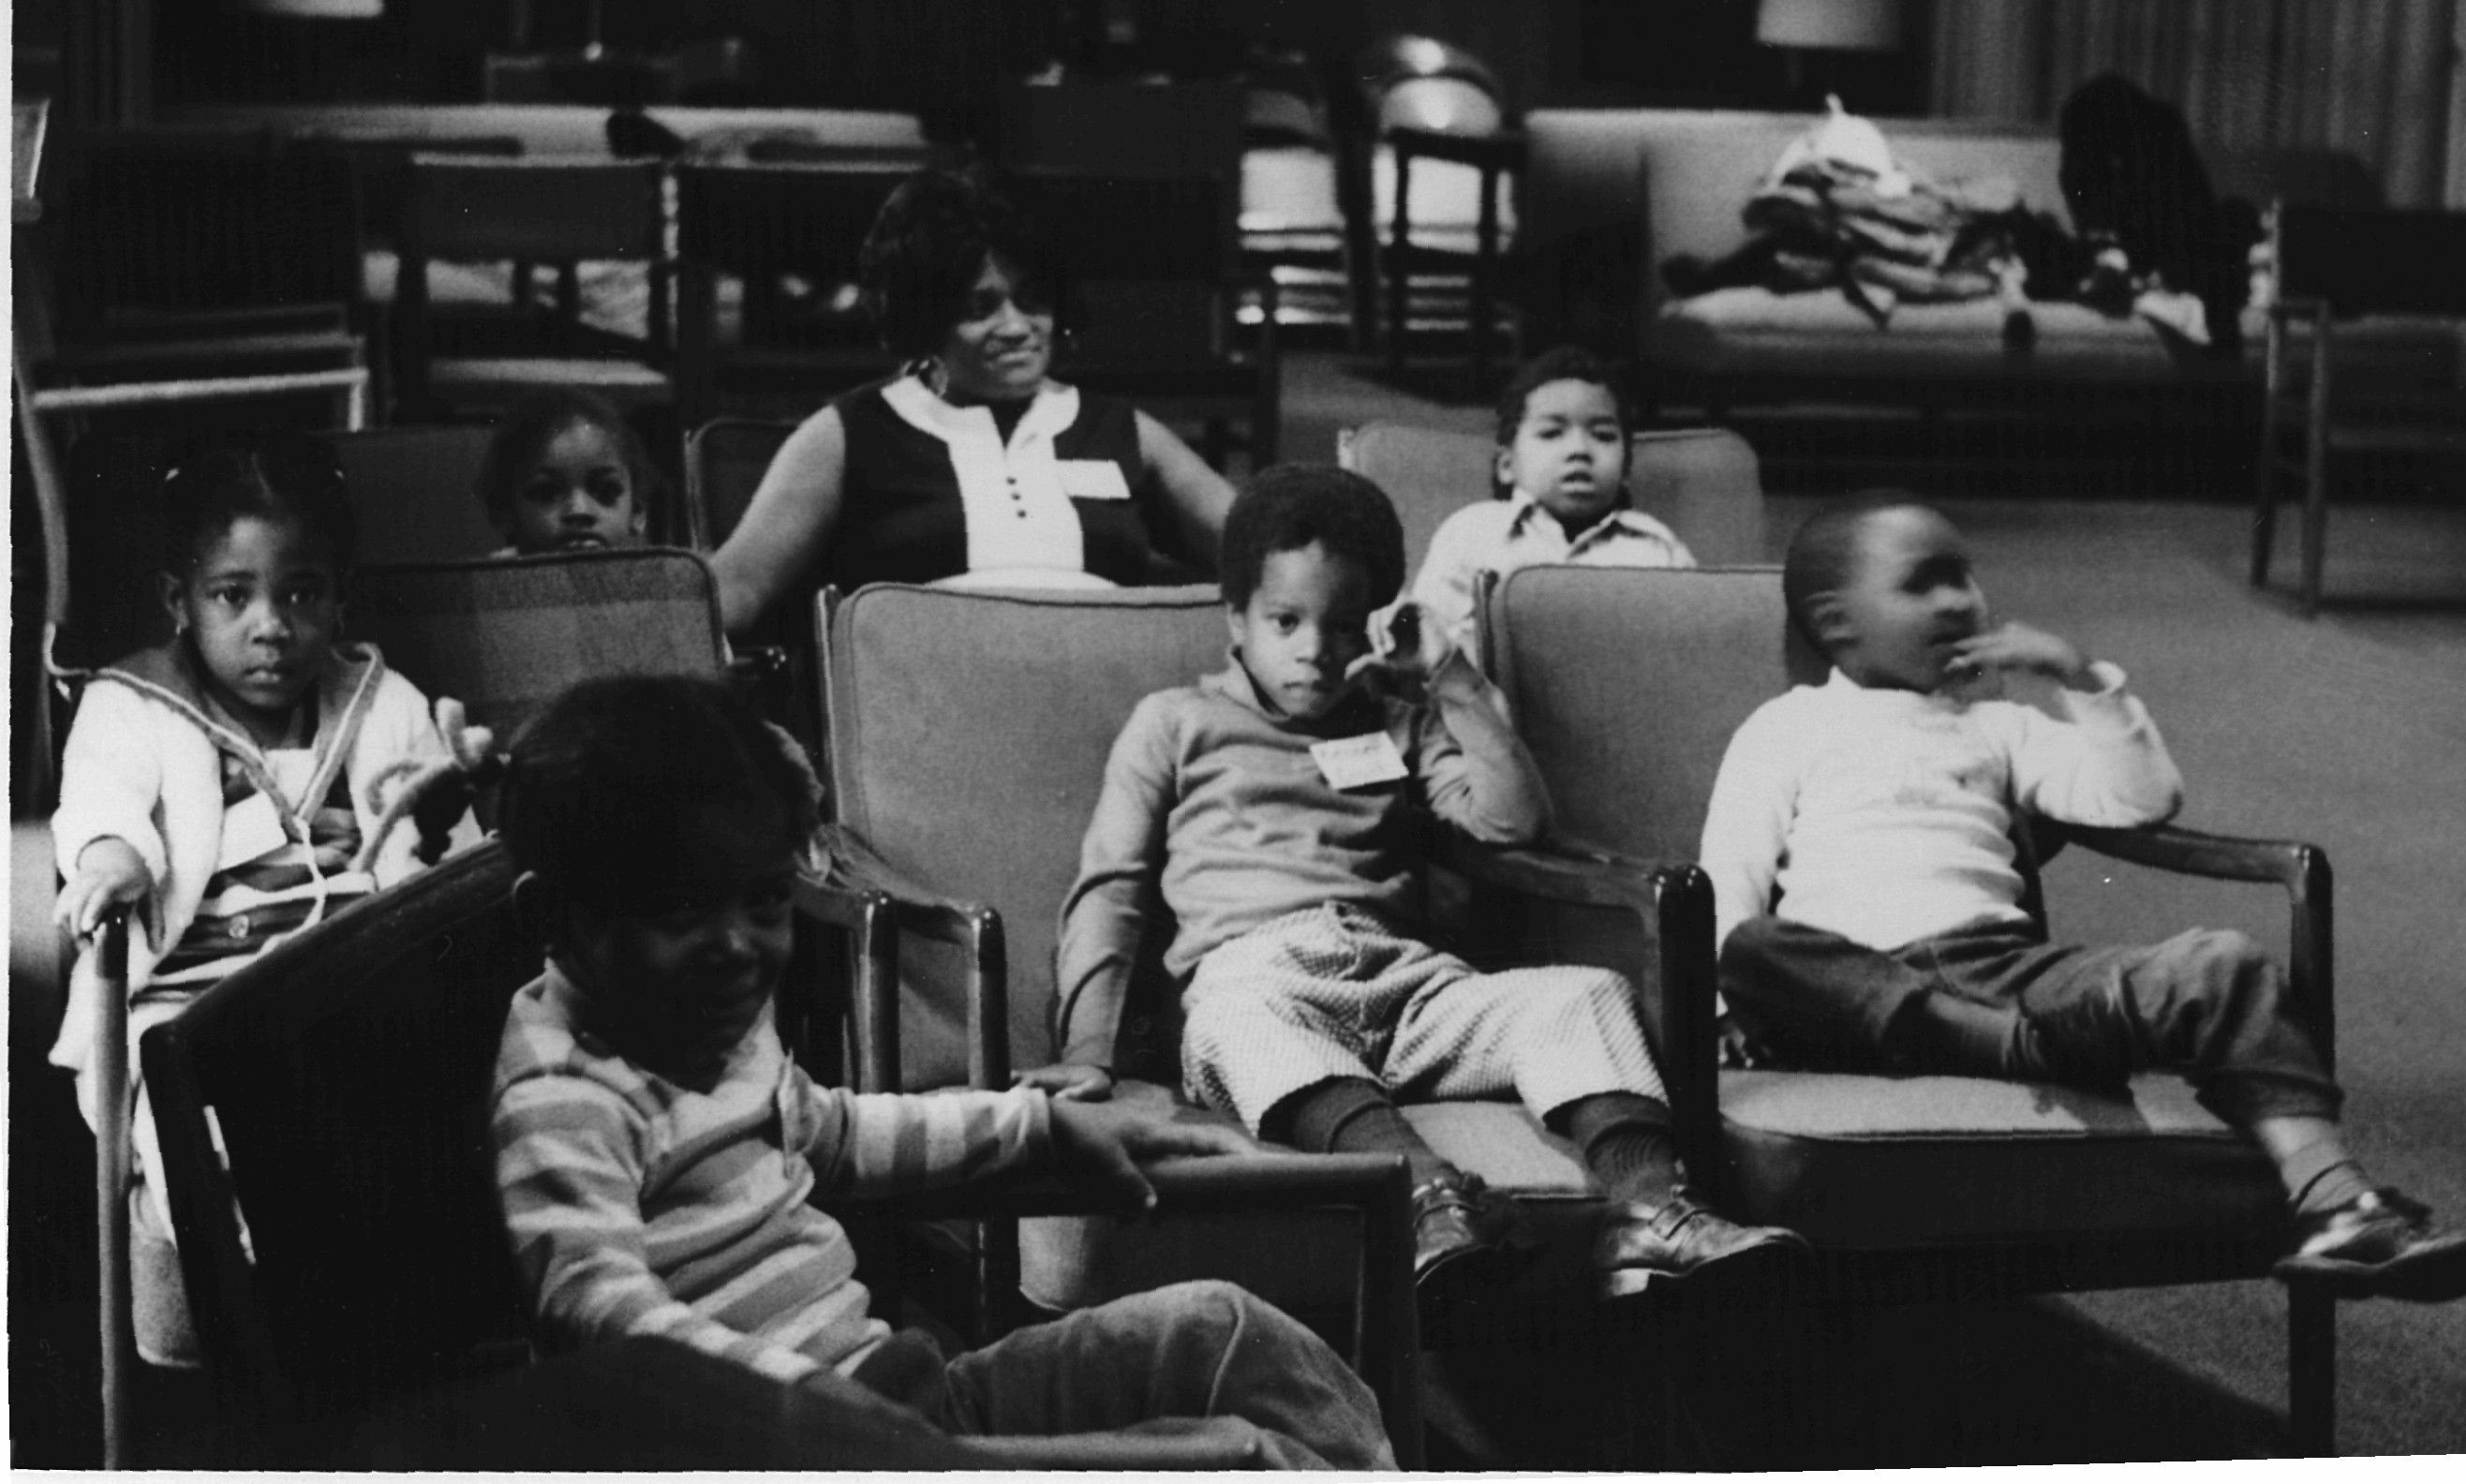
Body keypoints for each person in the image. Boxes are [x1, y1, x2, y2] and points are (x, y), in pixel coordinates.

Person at [488, 675, 1392, 1469]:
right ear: (552, 919)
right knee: (1235, 1461)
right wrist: (812, 1409)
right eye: (678, 909)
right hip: (792, 1451)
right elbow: (594, 1309)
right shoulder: (565, 1095)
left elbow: (835, 1131)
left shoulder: (701, 1020)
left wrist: (1039, 1125)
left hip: (904, 1405)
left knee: (1223, 1330)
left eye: (763, 900)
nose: (736, 947)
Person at [1701, 489, 2466, 1303]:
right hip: (1855, 996)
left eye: (1964, 576)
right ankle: (2005, 1048)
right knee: (1757, 949)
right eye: (1923, 582)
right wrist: (1725, 1016)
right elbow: (1728, 884)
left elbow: (2140, 799)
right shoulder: (1785, 728)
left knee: (2222, 964)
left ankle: (2336, 1204)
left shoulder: (1997, 728)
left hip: (2005, 976)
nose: (1959, 599)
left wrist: (2080, 680)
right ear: (1836, 622)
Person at [1047, 465, 1805, 1308]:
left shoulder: (1397, 720)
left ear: (1376, 622)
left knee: (1582, 995)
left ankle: (1650, 1210)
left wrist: (1450, 679)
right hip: (1256, 974)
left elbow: (1512, 826)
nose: (1314, 650)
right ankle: (1428, 1198)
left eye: (1343, 626)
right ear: (1236, 617)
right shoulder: (1174, 723)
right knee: (1231, 1023)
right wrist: (1086, 1052)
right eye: (1285, 622)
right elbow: (1110, 890)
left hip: (1405, 983)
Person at [51, 434, 494, 1365]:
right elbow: (99, 796)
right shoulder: (133, 703)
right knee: (200, 1138)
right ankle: (271, 1310)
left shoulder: (381, 701)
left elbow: (438, 851)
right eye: (232, 595)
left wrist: (446, 805)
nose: (271, 626)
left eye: (301, 594)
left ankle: (406, 1308)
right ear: (179, 601)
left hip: (345, 992)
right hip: (191, 1008)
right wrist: (112, 852)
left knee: (423, 1107)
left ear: (340, 597)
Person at [707, 164, 1236, 629]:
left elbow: (1258, 547)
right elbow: (741, 584)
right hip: (922, 692)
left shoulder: (1124, 430)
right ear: (927, 317)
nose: (1016, 327)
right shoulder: (850, 431)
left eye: (1032, 301)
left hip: (1105, 689)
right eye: (981, 308)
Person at [1409, 346, 1695, 665]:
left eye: (1602, 435)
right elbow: (1422, 632)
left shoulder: (1657, 549)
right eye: (1551, 433)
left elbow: (1695, 651)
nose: (1579, 449)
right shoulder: (1471, 533)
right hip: (1486, 692)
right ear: (1507, 464)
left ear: (1626, 468)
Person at [477, 386, 658, 556]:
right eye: (546, 494)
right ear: (504, 512)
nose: (579, 510)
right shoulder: (485, 580)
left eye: (606, 491)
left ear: (637, 510)